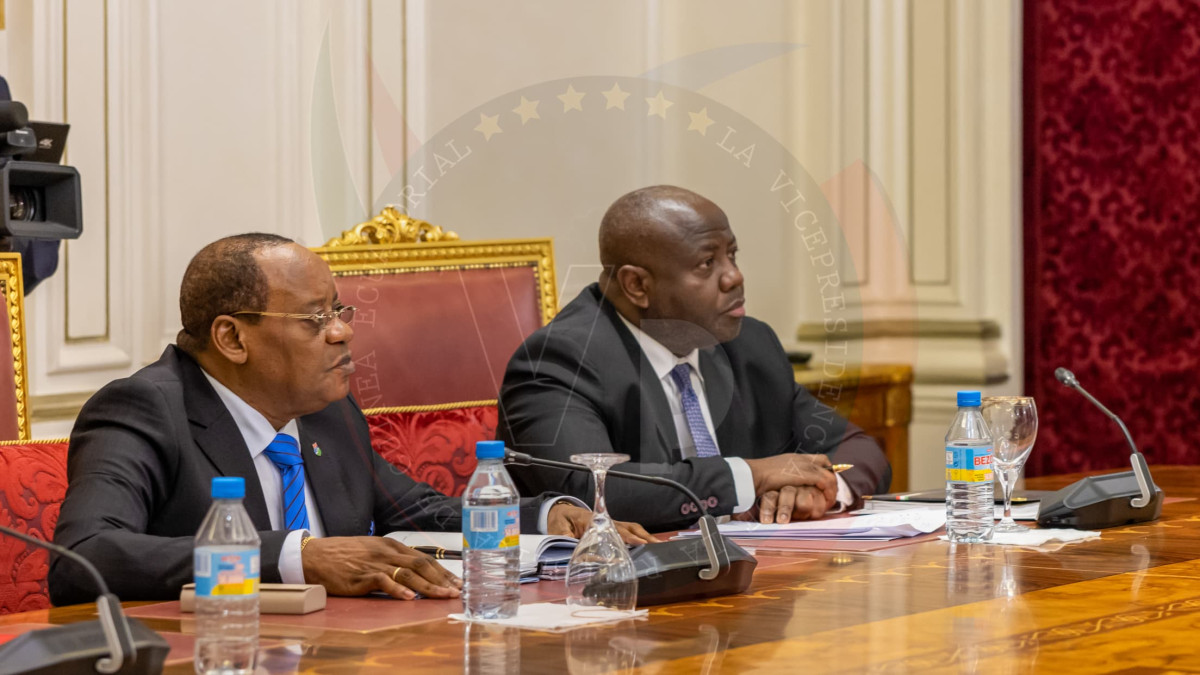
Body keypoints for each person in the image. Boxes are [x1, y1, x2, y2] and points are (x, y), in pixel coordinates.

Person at [49, 234, 654, 606]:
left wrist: (546, 517)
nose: (342, 332)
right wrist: (297, 557)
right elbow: (85, 557)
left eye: (338, 311)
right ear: (232, 338)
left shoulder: (327, 411)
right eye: (315, 318)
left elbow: (415, 512)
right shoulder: (145, 410)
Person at [498, 186, 891, 531]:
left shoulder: (750, 345)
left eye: (732, 255)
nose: (734, 277)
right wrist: (750, 476)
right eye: (707, 263)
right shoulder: (559, 361)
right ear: (637, 285)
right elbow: (595, 489)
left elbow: (855, 447)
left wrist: (823, 489)